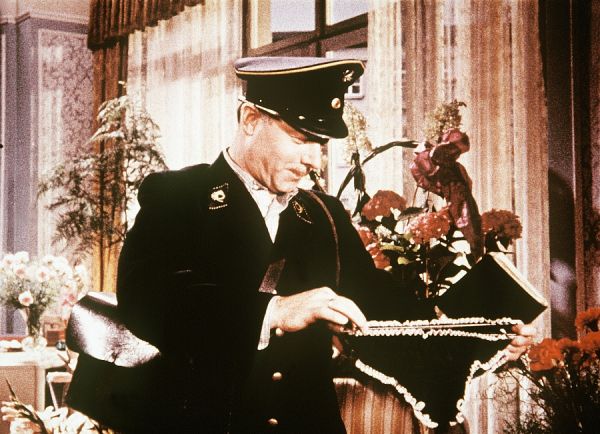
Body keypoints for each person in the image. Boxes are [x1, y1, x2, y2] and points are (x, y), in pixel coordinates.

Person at [116, 57, 535, 433]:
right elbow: (145, 299)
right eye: (301, 139)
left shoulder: (324, 214)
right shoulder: (178, 195)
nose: (314, 161)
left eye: (320, 145)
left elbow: (381, 307)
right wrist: (275, 310)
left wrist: (484, 335)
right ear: (250, 119)